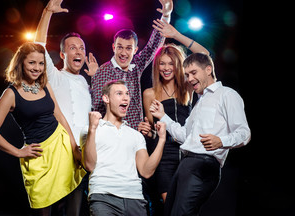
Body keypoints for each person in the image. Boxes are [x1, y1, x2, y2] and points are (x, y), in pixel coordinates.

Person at [0, 42, 86, 216]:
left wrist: (74, 146)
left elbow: (60, 116)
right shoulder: (11, 94)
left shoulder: (45, 85)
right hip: (38, 156)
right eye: (32, 63)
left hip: (62, 147)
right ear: (21, 63)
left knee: (73, 200)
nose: (37, 68)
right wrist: (18, 152)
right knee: (43, 210)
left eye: (41, 63)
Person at [149, 52, 251, 216]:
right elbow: (184, 136)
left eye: (194, 73)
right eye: (187, 75)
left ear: (208, 69)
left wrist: (221, 141)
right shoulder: (198, 103)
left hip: (203, 165)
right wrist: (162, 116)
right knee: (168, 212)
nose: (189, 79)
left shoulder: (227, 94)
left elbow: (244, 133)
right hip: (185, 165)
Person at [34, 0, 98, 215]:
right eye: (72, 48)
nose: (78, 51)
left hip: (80, 154)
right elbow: (38, 47)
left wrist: (97, 78)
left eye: (81, 48)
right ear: (62, 55)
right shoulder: (55, 76)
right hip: (56, 148)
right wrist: (48, 12)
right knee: (47, 206)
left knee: (75, 208)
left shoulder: (87, 82)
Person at [138, 18, 210, 204]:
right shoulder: (149, 93)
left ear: (178, 64)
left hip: (187, 152)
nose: (166, 68)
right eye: (162, 63)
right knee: (167, 203)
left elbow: (204, 54)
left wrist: (176, 35)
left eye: (171, 63)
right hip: (162, 155)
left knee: (185, 204)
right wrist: (148, 130)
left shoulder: (187, 86)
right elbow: (154, 130)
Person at [80, 80, 167, 216]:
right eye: (119, 93)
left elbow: (146, 171)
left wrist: (162, 139)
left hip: (135, 199)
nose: (126, 97)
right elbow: (89, 165)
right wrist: (92, 128)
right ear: (106, 98)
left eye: (127, 94)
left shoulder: (135, 135)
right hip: (103, 197)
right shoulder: (90, 130)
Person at [91, 0, 173, 130]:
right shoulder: (102, 72)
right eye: (120, 47)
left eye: (128, 48)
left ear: (135, 50)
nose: (123, 52)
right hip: (112, 135)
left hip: (136, 136)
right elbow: (97, 108)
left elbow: (154, 44)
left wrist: (166, 15)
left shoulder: (136, 65)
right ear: (113, 47)